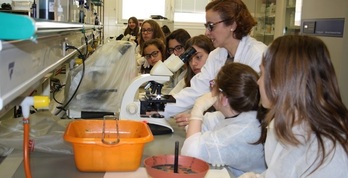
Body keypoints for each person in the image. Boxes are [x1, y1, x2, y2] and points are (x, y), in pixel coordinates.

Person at [239, 35, 348, 178]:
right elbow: (279, 172)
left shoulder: (329, 152)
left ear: (280, 81)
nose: (258, 82)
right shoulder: (289, 123)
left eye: (262, 73)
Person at [161, 0, 267, 121]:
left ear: (232, 24)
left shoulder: (258, 55)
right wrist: (151, 107)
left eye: (211, 26)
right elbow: (193, 92)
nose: (207, 33)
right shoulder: (216, 55)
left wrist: (199, 119)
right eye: (206, 26)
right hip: (225, 129)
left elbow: (248, 110)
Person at [181, 63, 266, 177]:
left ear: (224, 99)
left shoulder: (241, 131)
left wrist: (198, 109)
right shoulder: (244, 115)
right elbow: (208, 123)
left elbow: (190, 153)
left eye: (214, 84)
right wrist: (195, 120)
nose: (211, 89)